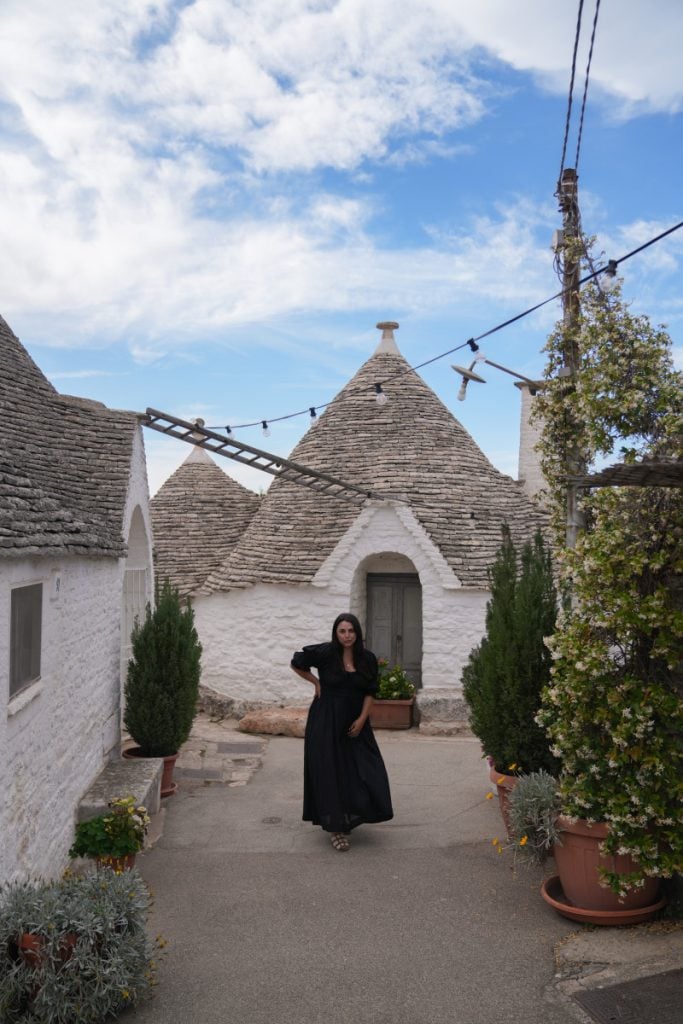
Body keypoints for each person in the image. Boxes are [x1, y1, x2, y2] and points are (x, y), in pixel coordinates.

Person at [291, 612, 393, 852]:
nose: (347, 636)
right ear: (336, 633)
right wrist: (316, 683)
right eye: (342, 631)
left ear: (357, 633)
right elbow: (297, 662)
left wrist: (361, 720)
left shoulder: (366, 659)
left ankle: (350, 814)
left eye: (351, 631)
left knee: (366, 770)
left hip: (356, 722)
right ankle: (336, 828)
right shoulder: (326, 654)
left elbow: (371, 692)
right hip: (326, 720)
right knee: (331, 772)